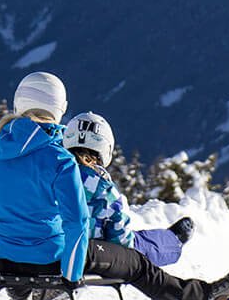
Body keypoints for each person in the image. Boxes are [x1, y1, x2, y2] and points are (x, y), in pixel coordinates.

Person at [0, 72, 229, 300]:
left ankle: (22, 296)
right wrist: (71, 276)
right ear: (60, 108)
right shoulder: (60, 159)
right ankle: (202, 299)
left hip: (2, 258)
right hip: (49, 260)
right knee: (136, 263)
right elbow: (77, 223)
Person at [62, 111, 195, 266]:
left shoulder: (49, 176)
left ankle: (170, 238)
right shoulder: (103, 188)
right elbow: (121, 240)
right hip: (92, 256)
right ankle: (173, 241)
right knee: (141, 244)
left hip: (49, 249)